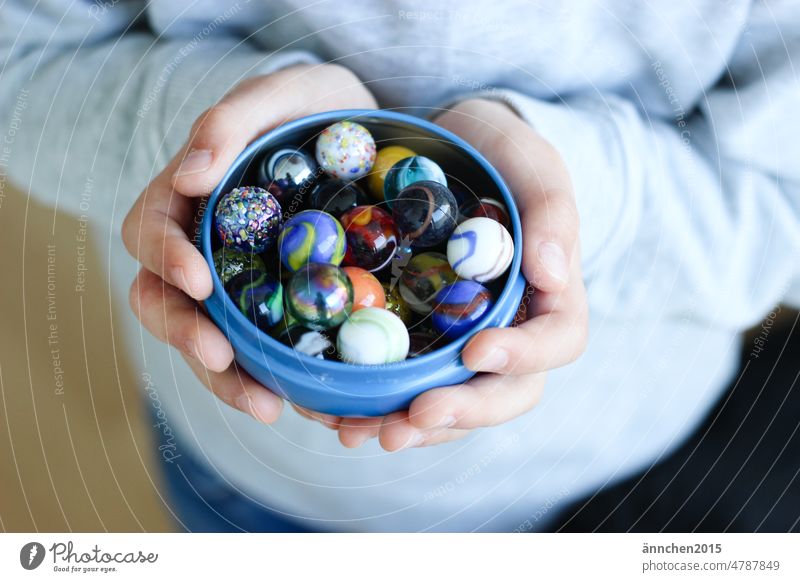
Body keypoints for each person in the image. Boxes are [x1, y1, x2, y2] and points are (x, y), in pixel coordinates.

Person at [2, 0, 798, 532]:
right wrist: (197, 137)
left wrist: (597, 191)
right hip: (254, 473)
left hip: (613, 472)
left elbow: (781, 203)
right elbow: (20, 59)